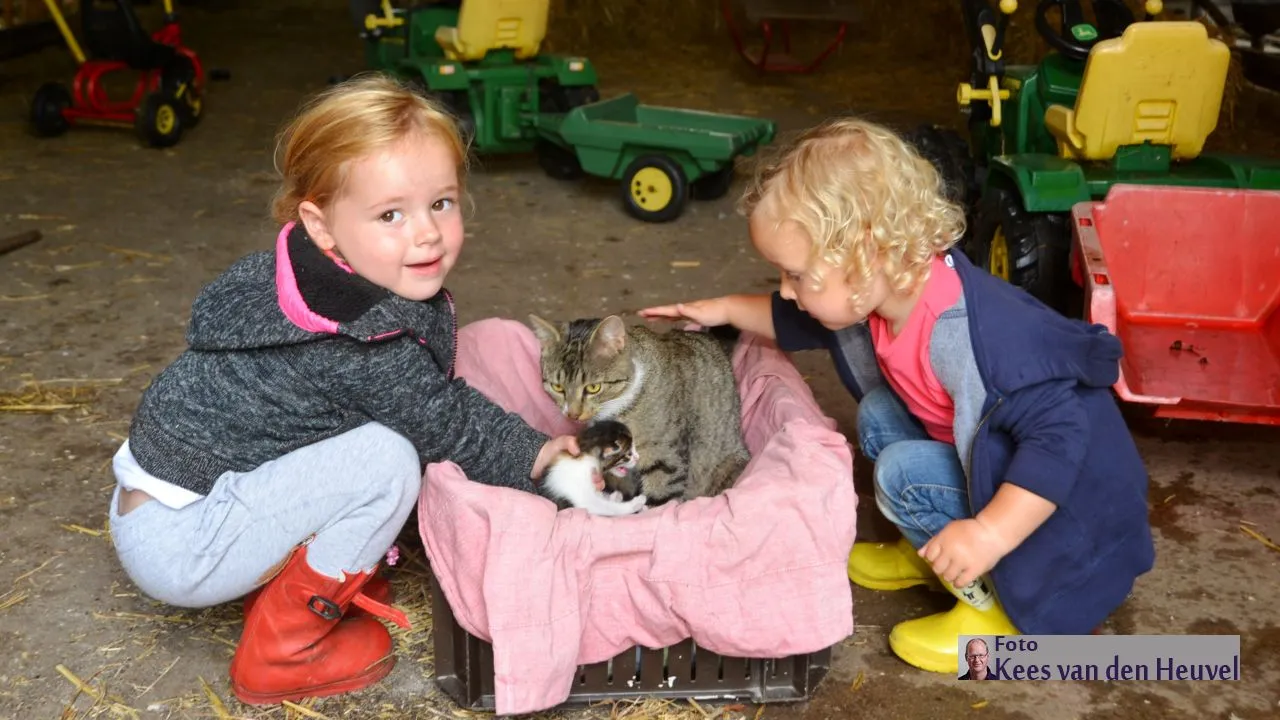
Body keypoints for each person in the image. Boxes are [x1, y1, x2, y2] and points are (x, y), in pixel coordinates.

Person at [106, 74, 581, 705]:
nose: (426, 233)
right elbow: (447, 425)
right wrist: (539, 460)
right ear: (322, 225)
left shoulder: (306, 273)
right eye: (391, 214)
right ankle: (283, 650)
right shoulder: (359, 338)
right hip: (183, 543)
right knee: (389, 456)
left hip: (168, 503)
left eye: (442, 203)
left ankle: (301, 568)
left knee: (371, 429)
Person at [639, 117, 1154, 673]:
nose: (786, 290)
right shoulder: (889, 290)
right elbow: (798, 319)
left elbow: (1060, 442)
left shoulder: (975, 339)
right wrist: (719, 310)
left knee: (900, 475)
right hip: (998, 469)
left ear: (866, 254)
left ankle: (996, 613)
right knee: (881, 414)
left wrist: (988, 534)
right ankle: (930, 548)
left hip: (1063, 532)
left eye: (796, 275)